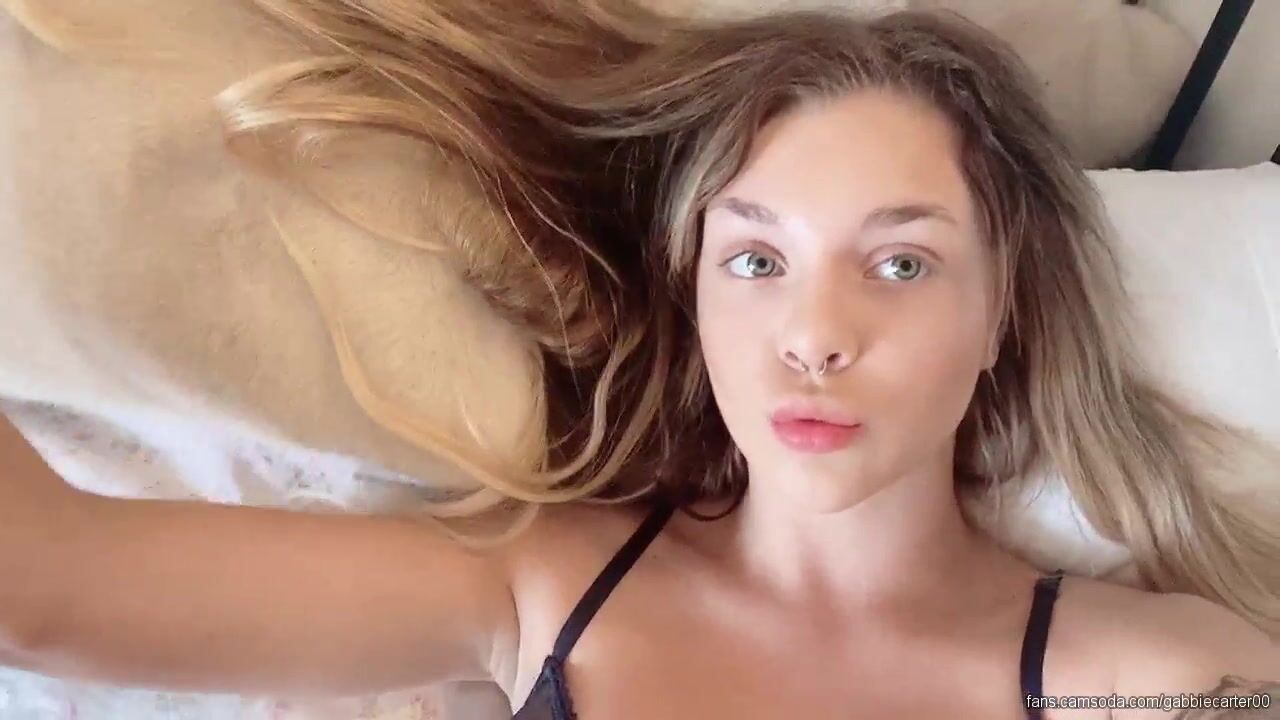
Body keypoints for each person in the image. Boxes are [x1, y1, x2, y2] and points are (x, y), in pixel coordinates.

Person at [1, 2, 1277, 718]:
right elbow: (44, 590)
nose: (813, 334)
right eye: (755, 259)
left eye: (900, 263)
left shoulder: (1150, 681)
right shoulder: (546, 582)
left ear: (1001, 312)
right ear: (694, 296)